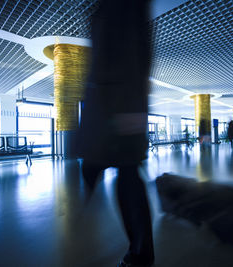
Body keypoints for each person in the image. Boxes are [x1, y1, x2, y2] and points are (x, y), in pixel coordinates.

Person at [79, 0, 154, 266]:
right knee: (127, 173)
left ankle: (141, 254)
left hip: (117, 101)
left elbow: (123, 54)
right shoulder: (126, 8)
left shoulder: (121, 7)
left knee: (126, 175)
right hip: (121, 100)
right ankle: (140, 253)